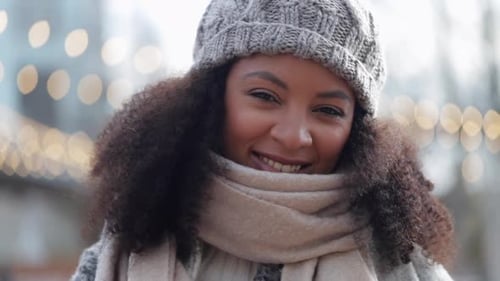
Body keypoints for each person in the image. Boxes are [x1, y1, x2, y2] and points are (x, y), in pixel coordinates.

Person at [71, 0, 455, 280]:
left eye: (328, 111)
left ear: (356, 129)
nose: (293, 137)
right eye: (265, 97)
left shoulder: (398, 262)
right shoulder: (128, 245)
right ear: (210, 98)